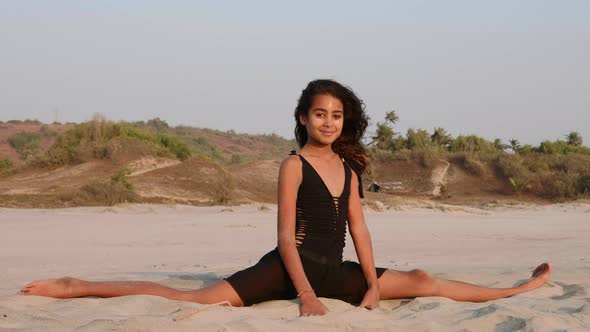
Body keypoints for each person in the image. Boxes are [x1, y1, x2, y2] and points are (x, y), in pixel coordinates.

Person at [21, 79, 552, 316]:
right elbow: (282, 237)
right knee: (191, 299)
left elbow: (361, 230)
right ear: (303, 117)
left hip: (336, 270)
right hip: (287, 270)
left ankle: (515, 290)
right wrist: (306, 298)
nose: (328, 122)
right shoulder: (292, 165)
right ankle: (74, 286)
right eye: (319, 113)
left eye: (336, 115)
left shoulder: (348, 165)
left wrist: (369, 286)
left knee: (421, 281)